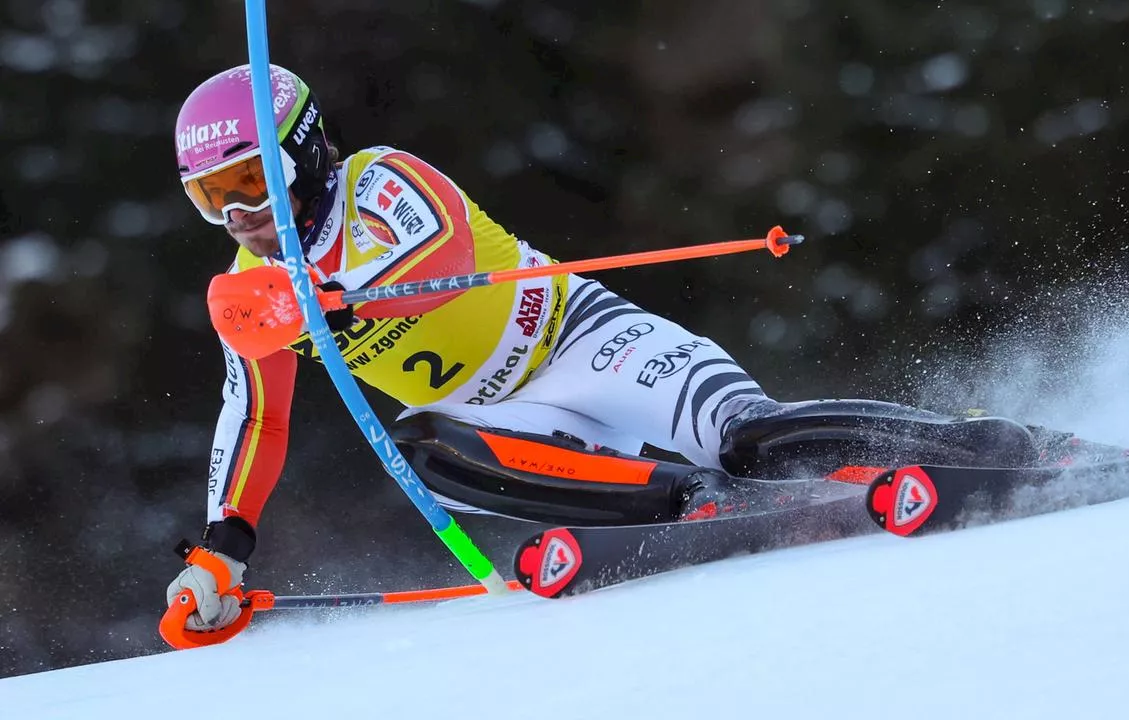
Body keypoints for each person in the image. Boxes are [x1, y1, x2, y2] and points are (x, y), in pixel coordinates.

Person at [165, 64, 1071, 633]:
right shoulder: (252, 293)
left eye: (254, 182)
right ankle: (695, 505)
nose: (245, 216)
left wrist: (334, 303)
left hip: (581, 340)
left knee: (750, 435)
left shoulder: (381, 180)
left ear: (307, 150)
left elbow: (437, 259)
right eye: (216, 200)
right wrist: (221, 551)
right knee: (419, 448)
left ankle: (1002, 447)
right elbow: (255, 420)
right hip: (504, 419)